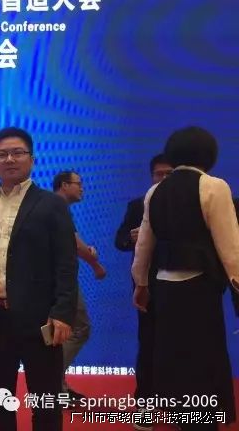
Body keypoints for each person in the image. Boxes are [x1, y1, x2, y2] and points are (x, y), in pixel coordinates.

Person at [0, 127, 78, 431]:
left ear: (32, 159)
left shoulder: (51, 204)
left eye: (17, 153)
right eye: (2, 154)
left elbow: (66, 263)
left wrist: (62, 312)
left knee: (45, 402)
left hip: (40, 319)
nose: (9, 159)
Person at [132, 126, 238, 430]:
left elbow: (144, 246)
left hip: (164, 289)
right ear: (209, 154)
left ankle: (182, 417)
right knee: (203, 360)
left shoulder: (155, 191)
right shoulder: (214, 186)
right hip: (199, 289)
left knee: (173, 359)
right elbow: (230, 246)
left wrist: (141, 284)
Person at [114, 153, 172, 427]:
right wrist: (132, 237)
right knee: (148, 345)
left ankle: (178, 404)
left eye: (170, 174)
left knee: (183, 349)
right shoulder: (137, 205)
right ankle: (145, 404)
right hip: (147, 287)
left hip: (187, 290)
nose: (164, 179)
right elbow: (119, 241)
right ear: (151, 176)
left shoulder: (193, 204)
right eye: (159, 174)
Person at [52, 170, 106, 401]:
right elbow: (74, 243)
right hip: (59, 281)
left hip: (51, 280)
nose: (82, 188)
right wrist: (95, 264)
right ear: (64, 185)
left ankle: (58, 386)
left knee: (58, 333)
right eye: (78, 184)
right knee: (79, 328)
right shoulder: (57, 206)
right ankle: (52, 380)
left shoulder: (54, 206)